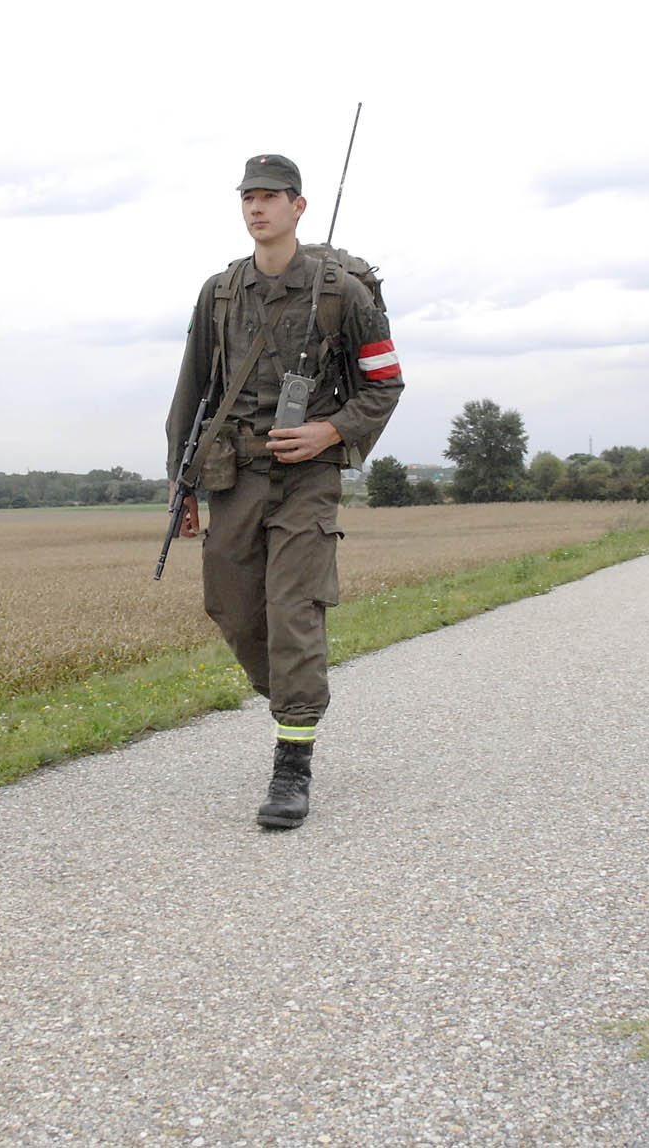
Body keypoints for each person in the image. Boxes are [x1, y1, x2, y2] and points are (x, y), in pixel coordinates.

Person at [164, 153, 404, 830]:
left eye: (271, 197)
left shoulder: (341, 294)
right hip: (232, 478)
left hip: (305, 480)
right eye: (248, 197)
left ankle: (291, 763)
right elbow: (191, 392)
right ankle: (296, 696)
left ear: (298, 207)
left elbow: (384, 382)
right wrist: (178, 483)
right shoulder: (218, 292)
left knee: (292, 611)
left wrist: (330, 431)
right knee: (232, 610)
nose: (256, 208)